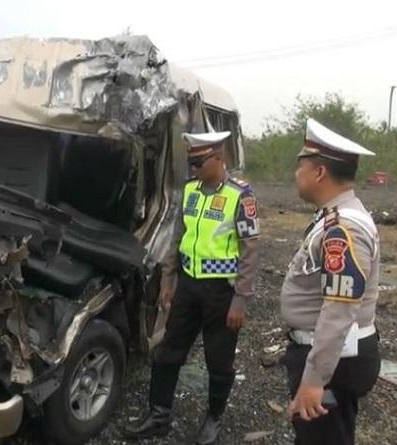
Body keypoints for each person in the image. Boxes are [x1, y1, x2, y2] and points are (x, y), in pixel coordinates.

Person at [123, 130, 261, 445]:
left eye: (199, 162)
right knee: (167, 351)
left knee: (219, 361)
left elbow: (250, 251)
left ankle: (213, 418)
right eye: (191, 163)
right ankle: (159, 415)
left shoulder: (241, 195)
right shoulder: (190, 192)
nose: (194, 169)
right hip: (187, 287)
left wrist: (240, 300)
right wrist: (169, 280)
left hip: (221, 294)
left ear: (220, 158)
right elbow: (177, 239)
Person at [281, 118, 382, 445]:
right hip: (330, 356)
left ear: (319, 172)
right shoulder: (334, 216)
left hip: (334, 363)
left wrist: (314, 380)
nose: (296, 175)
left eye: (301, 167)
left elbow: (339, 310)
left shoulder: (344, 229)